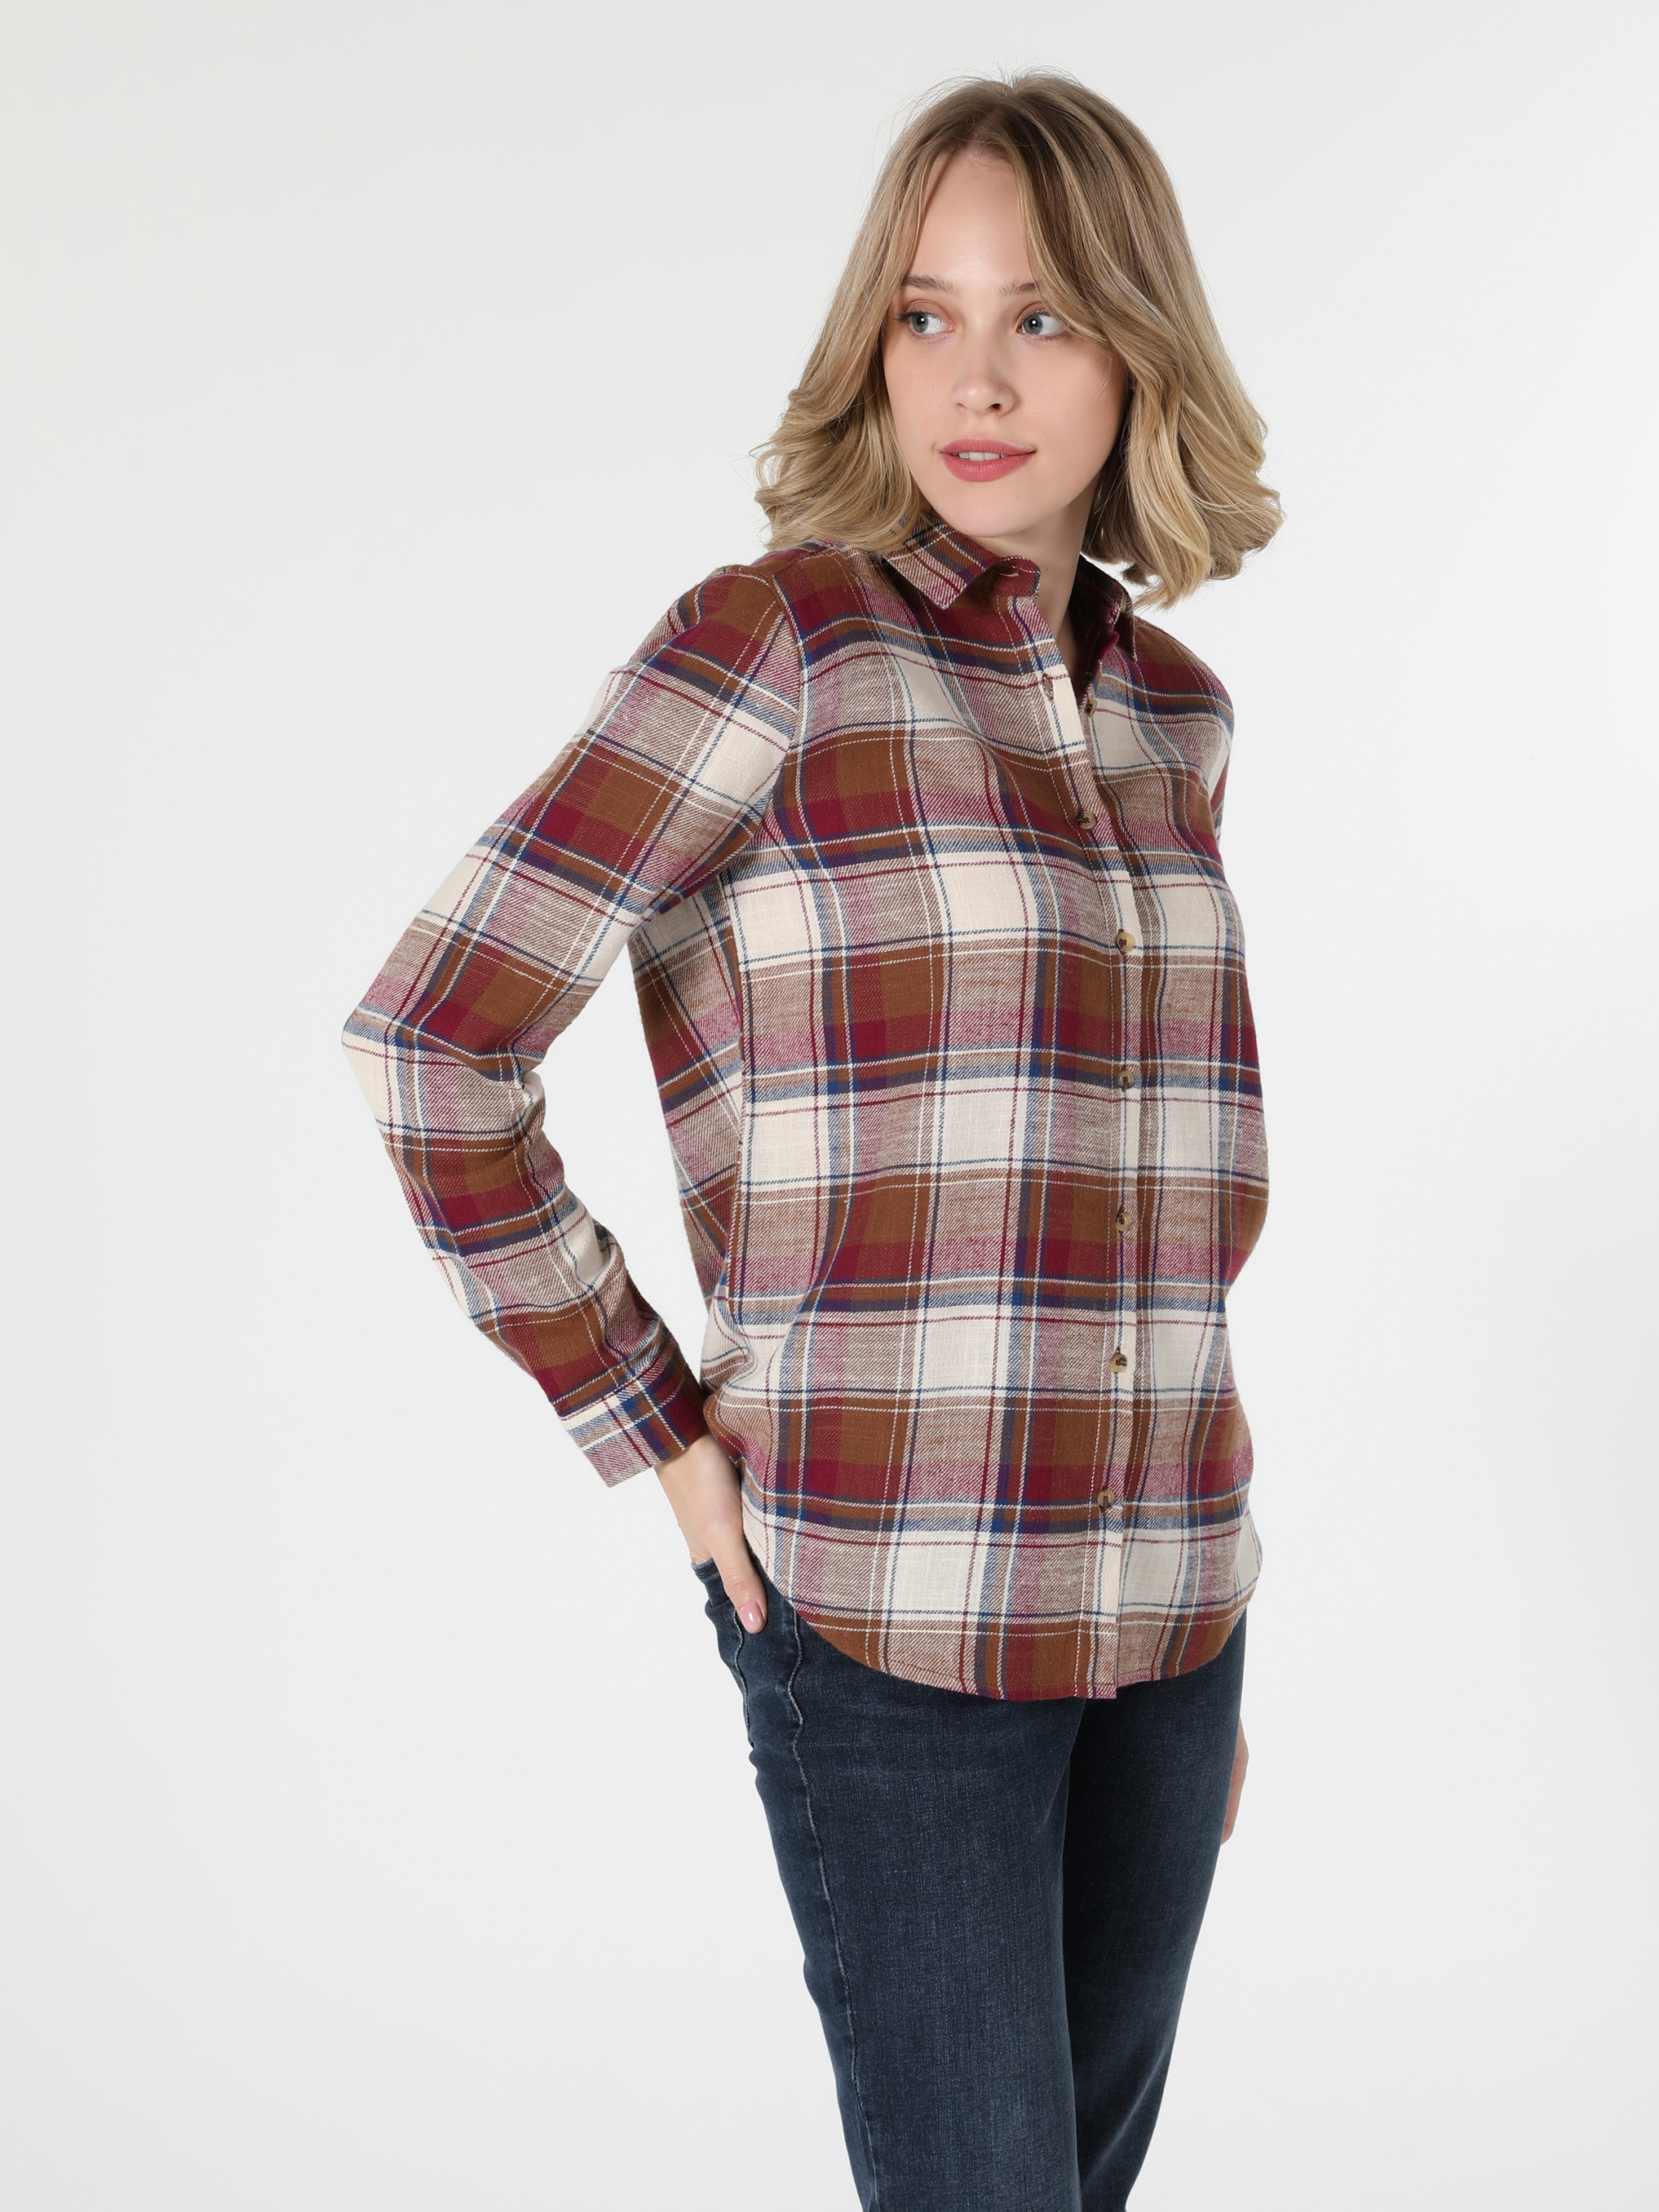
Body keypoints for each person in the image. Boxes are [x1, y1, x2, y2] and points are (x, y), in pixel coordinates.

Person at [343, 70, 1280, 2212]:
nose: (975, 378)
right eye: (924, 313)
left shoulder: (1176, 715)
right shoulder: (774, 646)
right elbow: (433, 1042)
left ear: (1139, 342)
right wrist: (653, 1426)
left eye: (1041, 315)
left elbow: (1161, 1198)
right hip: (884, 1603)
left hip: (1169, 1612)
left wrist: (1194, 1621)